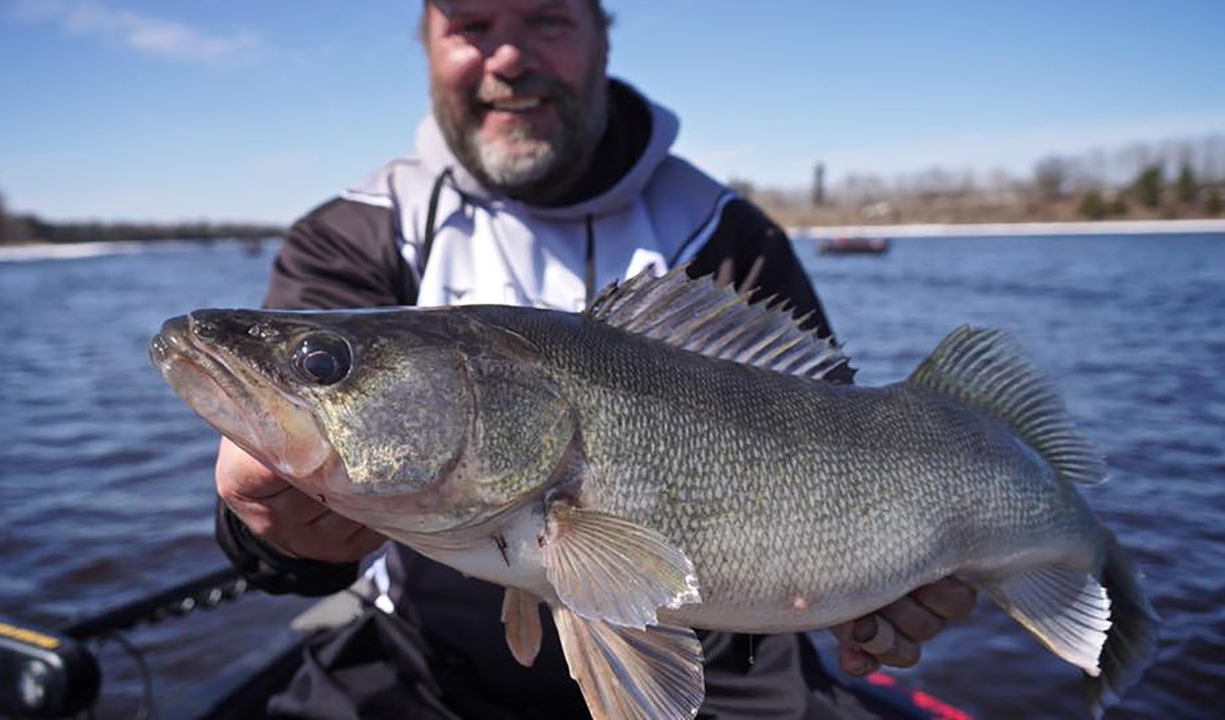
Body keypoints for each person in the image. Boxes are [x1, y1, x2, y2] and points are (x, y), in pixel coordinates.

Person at [214, 1, 976, 717]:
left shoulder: (725, 232)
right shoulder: (355, 234)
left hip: (728, 657)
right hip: (428, 660)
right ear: (427, 48)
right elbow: (289, 544)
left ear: (602, 37)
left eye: (546, 18)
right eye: (472, 24)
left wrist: (892, 582)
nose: (508, 57)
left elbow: (839, 436)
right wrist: (270, 534)